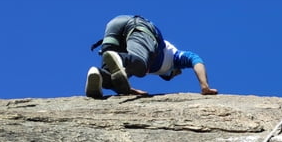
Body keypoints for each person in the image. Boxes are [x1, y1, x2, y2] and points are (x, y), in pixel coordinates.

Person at [85, 15, 218, 98]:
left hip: (115, 25)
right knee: (141, 67)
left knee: (112, 74)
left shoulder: (152, 64)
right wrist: (204, 86)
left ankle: (98, 74)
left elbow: (118, 77)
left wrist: (128, 90)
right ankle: (120, 58)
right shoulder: (174, 58)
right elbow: (195, 59)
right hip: (138, 26)